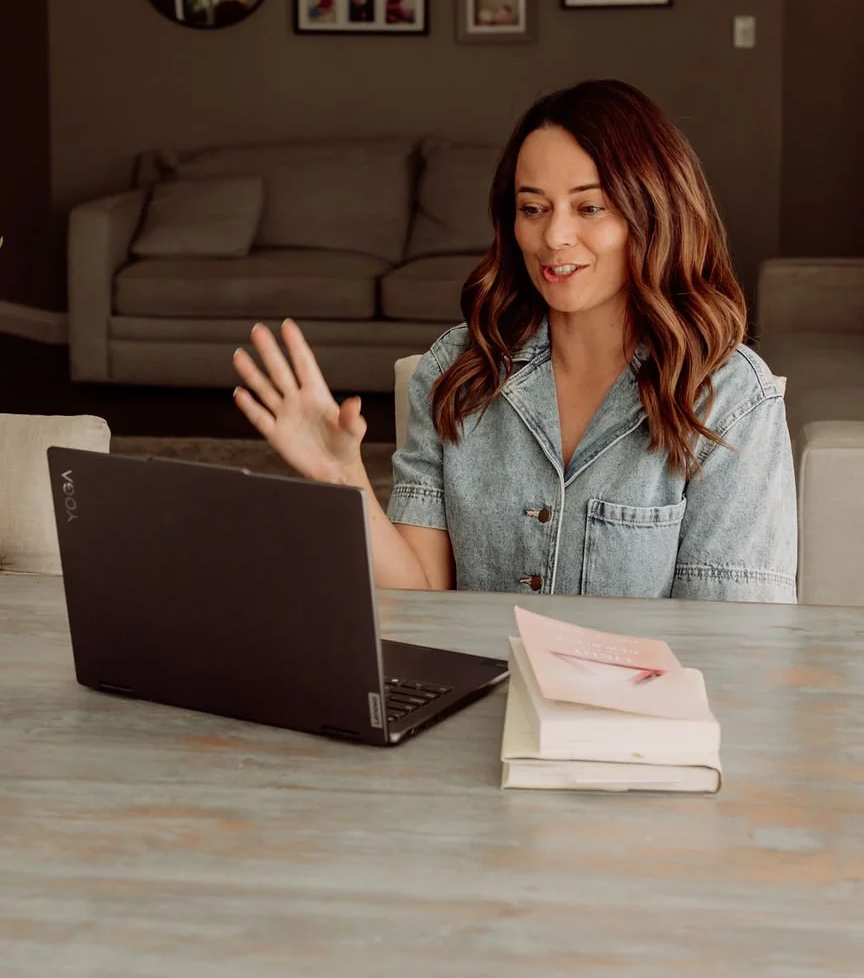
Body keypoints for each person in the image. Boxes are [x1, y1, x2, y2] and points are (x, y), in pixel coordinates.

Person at [232, 79, 797, 602]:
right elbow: (420, 601)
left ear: (654, 212)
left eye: (589, 206)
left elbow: (734, 644)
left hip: (640, 711)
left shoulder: (729, 397)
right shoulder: (457, 370)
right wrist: (345, 480)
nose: (554, 235)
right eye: (533, 208)